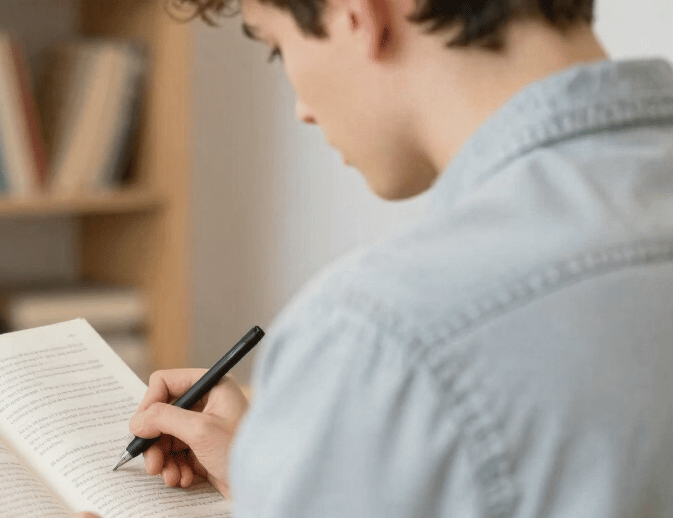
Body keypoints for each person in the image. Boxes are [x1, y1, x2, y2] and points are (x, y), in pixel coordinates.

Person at [76, 0, 673, 515]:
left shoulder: (376, 336)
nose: (301, 109)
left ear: (358, 15)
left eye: (278, 49)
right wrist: (287, 480)